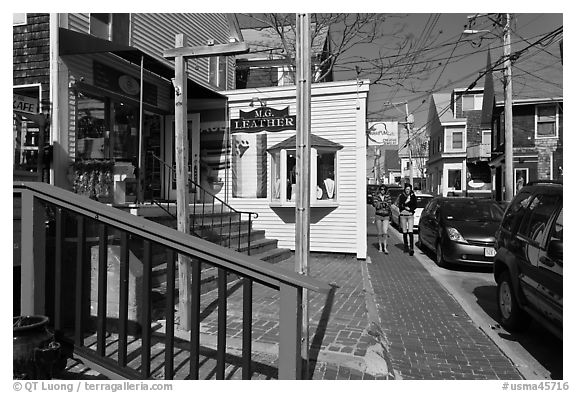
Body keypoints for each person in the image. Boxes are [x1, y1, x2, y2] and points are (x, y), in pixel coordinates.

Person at [398, 183, 417, 255]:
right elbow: (400, 205)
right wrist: (405, 206)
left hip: (410, 215)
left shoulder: (413, 196)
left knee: (410, 231)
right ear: (404, 189)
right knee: (404, 231)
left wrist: (410, 209)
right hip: (403, 214)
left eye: (409, 189)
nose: (407, 191)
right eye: (406, 189)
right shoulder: (402, 196)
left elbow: (415, 205)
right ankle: (406, 246)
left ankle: (411, 248)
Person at [372, 185, 392, 253]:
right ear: (380, 190)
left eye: (384, 189)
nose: (383, 191)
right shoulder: (376, 196)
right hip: (378, 215)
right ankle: (380, 246)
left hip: (386, 215)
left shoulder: (388, 197)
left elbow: (389, 205)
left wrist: (381, 204)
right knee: (380, 232)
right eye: (381, 189)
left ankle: (385, 247)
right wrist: (384, 204)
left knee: (385, 232)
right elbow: (376, 205)